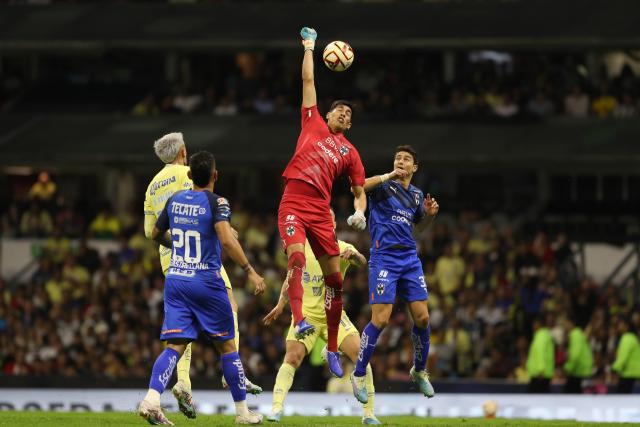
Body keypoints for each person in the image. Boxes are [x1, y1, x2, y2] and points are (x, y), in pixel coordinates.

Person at [138, 151, 266, 425]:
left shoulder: (174, 200)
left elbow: (156, 234)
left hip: (176, 279)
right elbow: (227, 240)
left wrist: (178, 247)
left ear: (189, 175)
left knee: (174, 346)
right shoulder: (217, 202)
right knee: (228, 347)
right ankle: (243, 413)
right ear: (215, 175)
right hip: (206, 281)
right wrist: (250, 272)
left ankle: (151, 399)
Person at [277, 27, 367, 378]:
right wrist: (309, 46)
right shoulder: (312, 122)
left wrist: (359, 213)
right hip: (294, 201)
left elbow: (359, 191)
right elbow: (308, 79)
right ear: (327, 116)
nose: (345, 115)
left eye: (349, 114)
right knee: (297, 258)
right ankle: (299, 320)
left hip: (320, 211)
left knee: (335, 282)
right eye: (340, 111)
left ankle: (331, 347)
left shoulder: (350, 152)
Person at [263, 210, 380, 425]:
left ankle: (369, 414)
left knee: (361, 355)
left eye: (327, 219)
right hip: (307, 315)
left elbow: (363, 261)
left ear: (333, 223)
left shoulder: (342, 247)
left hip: (333, 316)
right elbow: (291, 277)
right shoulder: (301, 247)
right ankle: (276, 409)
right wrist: (281, 304)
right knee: (292, 358)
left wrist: (354, 257)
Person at [351, 145, 439, 404]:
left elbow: (418, 228)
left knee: (422, 317)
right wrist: (389, 175)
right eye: (398, 158)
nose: (401, 161)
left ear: (415, 168)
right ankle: (358, 375)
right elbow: (358, 186)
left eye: (406, 159)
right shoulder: (382, 185)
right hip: (384, 258)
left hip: (409, 258)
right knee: (381, 319)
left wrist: (430, 217)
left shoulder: (416, 195)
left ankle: (419, 370)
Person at [562, 317, 593, 393]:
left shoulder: (575, 335)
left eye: (565, 323)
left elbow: (575, 356)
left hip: (579, 373)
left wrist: (567, 368)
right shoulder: (578, 334)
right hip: (580, 371)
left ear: (570, 323)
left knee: (570, 399)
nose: (564, 326)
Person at [526, 317, 554, 393]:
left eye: (534, 324)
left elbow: (540, 353)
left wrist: (541, 370)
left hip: (539, 374)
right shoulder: (543, 335)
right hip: (542, 373)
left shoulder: (541, 336)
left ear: (539, 324)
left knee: (536, 400)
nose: (533, 326)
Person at [612, 317, 640, 393]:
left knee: (621, 397)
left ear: (626, 326)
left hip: (628, 373)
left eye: (620, 324)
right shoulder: (633, 337)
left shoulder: (627, 338)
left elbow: (623, 357)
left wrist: (614, 369)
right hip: (634, 372)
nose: (618, 326)